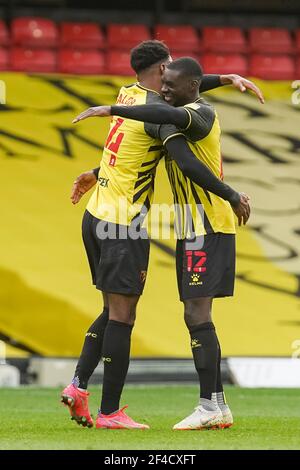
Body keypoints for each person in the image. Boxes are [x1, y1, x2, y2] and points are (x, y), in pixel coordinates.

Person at [62, 41, 253, 430]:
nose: (169, 85)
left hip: (98, 214)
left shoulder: (128, 93)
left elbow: (182, 96)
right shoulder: (161, 116)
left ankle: (80, 386)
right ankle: (111, 412)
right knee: (123, 314)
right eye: (168, 74)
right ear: (163, 68)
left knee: (117, 310)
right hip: (125, 222)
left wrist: (225, 78)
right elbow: (179, 143)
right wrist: (232, 193)